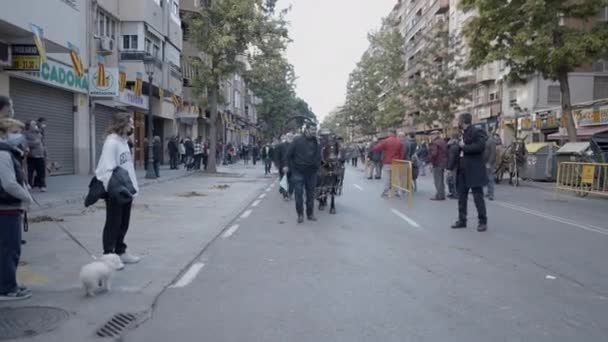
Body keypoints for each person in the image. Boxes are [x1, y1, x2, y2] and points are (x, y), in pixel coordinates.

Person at [95, 112, 141, 264]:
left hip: (127, 190)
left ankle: (120, 251)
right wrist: (113, 190)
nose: (132, 127)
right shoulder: (112, 143)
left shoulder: (124, 142)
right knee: (113, 223)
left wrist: (134, 189)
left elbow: (128, 167)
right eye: (130, 123)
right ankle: (108, 254)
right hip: (116, 191)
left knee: (123, 223)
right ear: (122, 124)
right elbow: (104, 168)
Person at [0, 115, 34, 301]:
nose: (19, 136)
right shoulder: (3, 153)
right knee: (9, 249)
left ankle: (7, 284)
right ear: (3, 134)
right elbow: (9, 184)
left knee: (8, 248)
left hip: (7, 205)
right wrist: (26, 196)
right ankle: (7, 288)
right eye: (14, 132)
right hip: (6, 206)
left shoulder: (8, 151)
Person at [452, 113, 488, 232]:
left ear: (463, 121)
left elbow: (480, 146)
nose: (458, 122)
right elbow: (460, 149)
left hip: (474, 171)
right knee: (461, 197)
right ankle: (462, 220)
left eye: (459, 120)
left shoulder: (477, 131)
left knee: (478, 197)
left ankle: (482, 222)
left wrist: (464, 147)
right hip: (462, 171)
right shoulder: (463, 133)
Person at [286, 125, 321, 223]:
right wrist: (288, 167)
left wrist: (317, 167)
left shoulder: (317, 141)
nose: (314, 131)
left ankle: (310, 214)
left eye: (315, 129)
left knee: (310, 195)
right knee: (298, 195)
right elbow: (288, 155)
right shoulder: (297, 140)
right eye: (312, 129)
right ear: (306, 130)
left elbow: (319, 156)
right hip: (298, 172)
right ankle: (300, 215)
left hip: (311, 173)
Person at [372, 129, 404, 198]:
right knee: (396, 177)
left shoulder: (386, 141)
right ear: (395, 133)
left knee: (387, 178)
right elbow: (401, 154)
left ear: (390, 133)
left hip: (387, 162)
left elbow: (376, 148)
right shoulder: (399, 142)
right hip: (396, 162)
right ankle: (398, 191)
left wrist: (374, 143)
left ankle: (386, 192)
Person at [24, 120, 47, 192]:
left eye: (35, 124)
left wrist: (45, 152)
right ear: (29, 126)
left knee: (41, 172)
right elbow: (25, 143)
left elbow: (42, 143)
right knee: (30, 172)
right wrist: (34, 143)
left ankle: (42, 186)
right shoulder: (26, 134)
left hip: (40, 156)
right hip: (32, 157)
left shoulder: (38, 133)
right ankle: (29, 185)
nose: (35, 126)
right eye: (33, 124)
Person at [429, 131, 448, 201]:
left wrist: (430, 160)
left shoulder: (435, 143)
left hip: (437, 163)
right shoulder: (443, 141)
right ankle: (442, 194)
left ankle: (439, 195)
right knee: (441, 180)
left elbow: (434, 154)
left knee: (437, 180)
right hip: (443, 162)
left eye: (432, 135)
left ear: (436, 135)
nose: (431, 136)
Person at [446, 132, 461, 199]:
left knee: (451, 180)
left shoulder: (453, 147)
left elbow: (452, 158)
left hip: (453, 166)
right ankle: (454, 193)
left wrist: (449, 168)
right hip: (457, 165)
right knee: (453, 180)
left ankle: (454, 194)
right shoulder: (458, 145)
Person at [484, 131, 497, 201]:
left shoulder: (492, 141)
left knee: (490, 178)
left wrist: (489, 162)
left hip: (490, 163)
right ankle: (488, 192)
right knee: (487, 179)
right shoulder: (487, 140)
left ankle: (491, 194)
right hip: (486, 162)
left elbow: (493, 153)